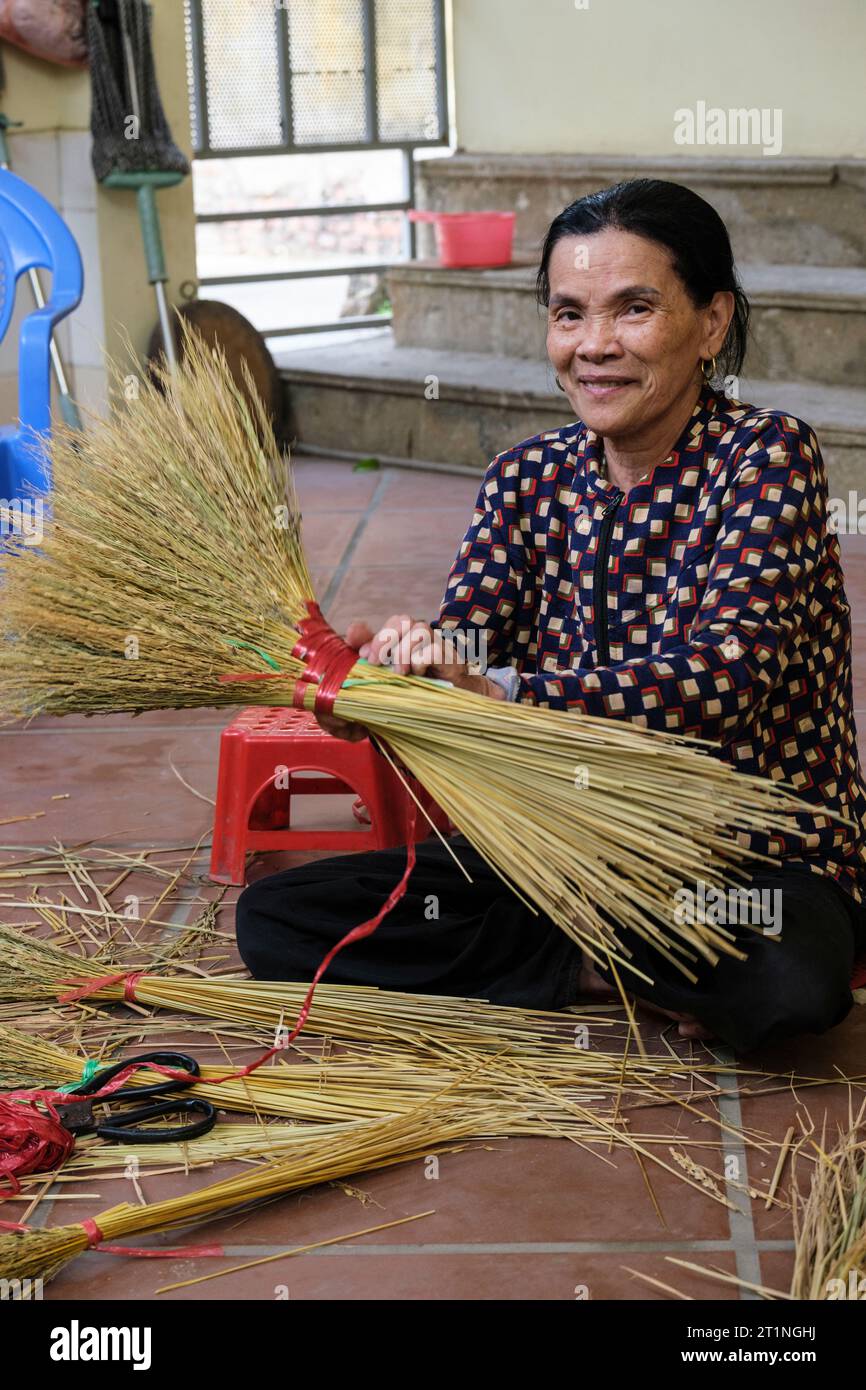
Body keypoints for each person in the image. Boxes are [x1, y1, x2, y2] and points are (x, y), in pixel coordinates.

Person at [236, 178, 866, 1054]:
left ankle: (583, 960)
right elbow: (472, 640)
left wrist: (501, 692)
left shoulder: (767, 458)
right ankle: (603, 967)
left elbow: (726, 675)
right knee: (278, 918)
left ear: (711, 323)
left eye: (634, 309)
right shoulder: (525, 476)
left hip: (743, 853)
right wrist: (396, 675)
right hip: (561, 848)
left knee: (790, 982)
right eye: (569, 314)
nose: (594, 347)